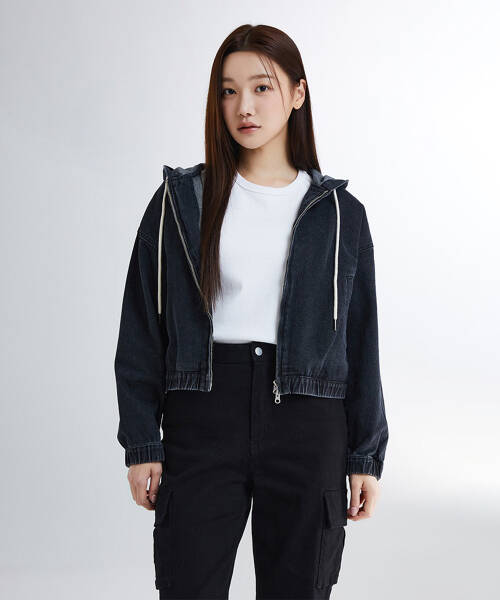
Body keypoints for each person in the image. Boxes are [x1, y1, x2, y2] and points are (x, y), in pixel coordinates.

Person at [114, 23, 389, 600]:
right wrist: (142, 442)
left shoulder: (341, 215)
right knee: (188, 584)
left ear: (298, 93)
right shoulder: (179, 203)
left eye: (262, 87)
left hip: (309, 422)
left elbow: (361, 341)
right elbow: (141, 327)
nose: (244, 106)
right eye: (228, 90)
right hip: (201, 414)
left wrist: (365, 454)